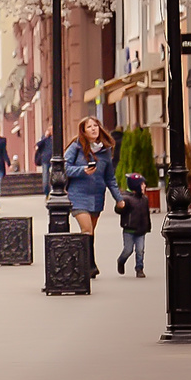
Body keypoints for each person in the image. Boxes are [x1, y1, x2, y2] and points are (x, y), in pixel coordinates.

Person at [65, 117, 125, 278]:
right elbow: (63, 168)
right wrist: (82, 170)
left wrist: (119, 198)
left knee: (91, 232)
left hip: (97, 196)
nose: (93, 129)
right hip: (78, 195)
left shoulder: (105, 151)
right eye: (89, 127)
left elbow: (110, 178)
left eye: (95, 126)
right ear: (83, 131)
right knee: (86, 230)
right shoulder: (76, 147)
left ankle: (85, 262)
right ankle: (88, 265)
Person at [116, 173, 151, 278]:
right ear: (136, 186)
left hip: (141, 230)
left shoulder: (144, 199)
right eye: (142, 184)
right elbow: (119, 210)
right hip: (129, 230)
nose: (144, 186)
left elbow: (146, 214)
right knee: (128, 249)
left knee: (140, 250)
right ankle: (121, 261)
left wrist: (147, 226)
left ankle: (139, 268)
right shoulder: (126, 198)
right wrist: (120, 207)